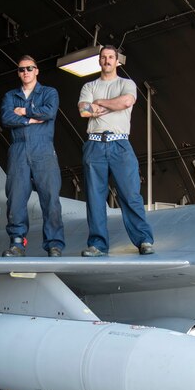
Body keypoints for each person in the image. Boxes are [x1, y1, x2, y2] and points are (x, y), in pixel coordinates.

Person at [78, 45, 154, 257]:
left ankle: (144, 240)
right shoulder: (89, 85)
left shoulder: (126, 84)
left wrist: (100, 103)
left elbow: (127, 101)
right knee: (95, 197)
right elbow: (84, 110)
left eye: (111, 57)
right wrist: (112, 105)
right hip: (94, 144)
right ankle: (98, 245)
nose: (107, 60)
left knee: (130, 194)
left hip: (120, 144)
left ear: (117, 61)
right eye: (103, 57)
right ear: (99, 61)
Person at [0, 56, 65, 257]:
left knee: (51, 197)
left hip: (43, 148)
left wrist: (24, 112)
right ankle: (17, 243)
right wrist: (31, 120)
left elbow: (49, 112)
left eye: (29, 68)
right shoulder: (10, 96)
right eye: (21, 70)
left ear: (36, 70)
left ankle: (54, 244)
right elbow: (6, 118)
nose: (25, 72)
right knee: (16, 199)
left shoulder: (49, 92)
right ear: (18, 73)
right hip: (18, 150)